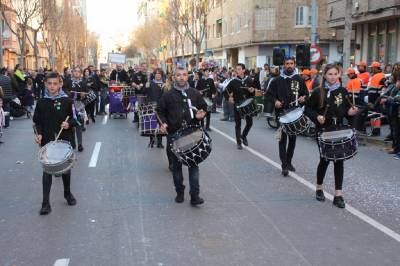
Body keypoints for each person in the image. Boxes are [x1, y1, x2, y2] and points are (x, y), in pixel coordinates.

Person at [305, 63, 358, 208]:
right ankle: (319, 188)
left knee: (339, 160)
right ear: (325, 75)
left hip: (339, 129)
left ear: (339, 75)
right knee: (325, 160)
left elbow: (347, 111)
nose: (333, 77)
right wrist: (317, 117)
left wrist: (351, 113)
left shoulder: (343, 91)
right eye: (330, 74)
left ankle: (338, 194)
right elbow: (307, 109)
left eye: (335, 74)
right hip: (324, 130)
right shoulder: (318, 92)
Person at [157, 67, 207, 205]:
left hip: (192, 134)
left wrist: (201, 114)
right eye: (178, 75)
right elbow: (159, 111)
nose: (181, 77)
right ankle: (180, 191)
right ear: (174, 77)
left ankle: (194, 195)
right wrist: (164, 123)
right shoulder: (168, 95)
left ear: (187, 77)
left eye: (184, 75)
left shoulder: (195, 93)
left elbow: (203, 107)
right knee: (177, 167)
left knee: (194, 165)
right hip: (175, 135)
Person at [33, 72, 77, 215]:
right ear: (45, 84)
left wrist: (68, 124)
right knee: (47, 171)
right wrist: (38, 134)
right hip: (47, 141)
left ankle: (67, 193)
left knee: (65, 169)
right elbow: (37, 122)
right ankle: (45, 203)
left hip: (64, 140)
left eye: (55, 84)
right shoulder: (41, 102)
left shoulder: (67, 101)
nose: (52, 86)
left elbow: (77, 119)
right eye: (49, 83)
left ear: (60, 84)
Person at [267, 57, 308, 176]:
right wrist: (275, 101)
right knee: (282, 140)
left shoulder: (299, 79)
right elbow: (268, 95)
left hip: (295, 113)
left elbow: (306, 94)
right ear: (284, 65)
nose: (289, 65)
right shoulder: (276, 80)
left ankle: (289, 162)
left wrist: (303, 98)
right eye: (287, 64)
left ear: (294, 65)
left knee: (293, 140)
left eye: (291, 63)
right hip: (282, 114)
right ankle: (284, 165)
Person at [225, 63, 256, 149]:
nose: (237, 71)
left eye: (239, 69)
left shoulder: (249, 80)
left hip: (247, 105)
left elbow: (254, 92)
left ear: (243, 70)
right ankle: (238, 142)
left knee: (250, 123)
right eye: (236, 69)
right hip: (237, 105)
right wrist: (229, 98)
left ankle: (244, 135)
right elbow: (225, 91)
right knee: (238, 124)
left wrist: (252, 90)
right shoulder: (233, 81)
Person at [144, 68, 165, 148]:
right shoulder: (150, 83)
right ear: (154, 75)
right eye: (156, 74)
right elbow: (144, 92)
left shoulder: (165, 84)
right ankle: (151, 141)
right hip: (151, 105)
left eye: (159, 74)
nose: (158, 75)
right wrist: (146, 87)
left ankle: (159, 142)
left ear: (161, 75)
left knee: (161, 124)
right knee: (151, 124)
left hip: (161, 107)